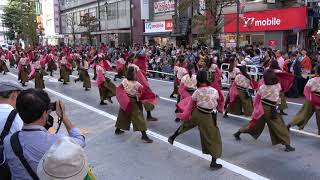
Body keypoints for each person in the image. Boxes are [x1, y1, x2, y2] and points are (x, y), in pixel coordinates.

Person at [4, 89, 85, 180]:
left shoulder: (8, 141)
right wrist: (63, 116)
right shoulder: (58, 142)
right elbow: (80, 141)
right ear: (44, 114)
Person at [168, 70, 223, 170]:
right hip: (207, 115)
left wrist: (185, 114)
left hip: (197, 113)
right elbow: (216, 104)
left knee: (186, 125)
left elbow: (190, 105)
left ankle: (172, 137)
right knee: (213, 136)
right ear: (207, 78)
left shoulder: (197, 91)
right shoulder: (214, 91)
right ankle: (213, 162)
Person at [233, 70, 295, 152]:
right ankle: (287, 145)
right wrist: (278, 105)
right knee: (280, 126)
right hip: (272, 108)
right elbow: (279, 96)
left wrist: (256, 110)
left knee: (254, 125)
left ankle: (239, 132)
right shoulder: (277, 85)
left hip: (262, 108)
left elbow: (257, 100)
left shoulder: (262, 87)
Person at [115, 66, 153, 143]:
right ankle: (144, 135)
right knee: (139, 117)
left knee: (122, 115)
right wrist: (152, 95)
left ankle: (117, 129)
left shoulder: (124, 81)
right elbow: (143, 92)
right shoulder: (137, 84)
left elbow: (120, 88)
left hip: (125, 100)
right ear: (133, 74)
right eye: (135, 73)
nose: (136, 75)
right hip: (132, 101)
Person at [287, 65, 320, 135]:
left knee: (303, 113)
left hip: (311, 98)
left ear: (317, 71)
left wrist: (310, 98)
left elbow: (306, 91)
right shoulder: (313, 80)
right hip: (318, 100)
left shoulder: (312, 80)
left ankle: (290, 124)